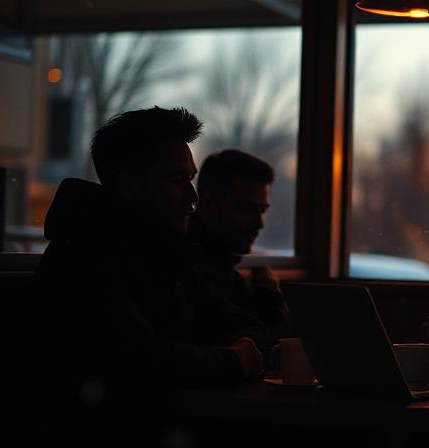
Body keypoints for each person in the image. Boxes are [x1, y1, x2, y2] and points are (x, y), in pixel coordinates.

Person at [36, 107, 268, 446]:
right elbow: (143, 361)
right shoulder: (83, 259)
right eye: (178, 181)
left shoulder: (167, 254)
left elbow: (248, 326)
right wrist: (234, 359)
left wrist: (236, 352)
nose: (193, 198)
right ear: (129, 185)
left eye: (191, 180)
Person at [189, 149, 290, 343]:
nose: (259, 223)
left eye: (262, 210)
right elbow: (263, 340)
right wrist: (268, 293)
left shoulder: (222, 267)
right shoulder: (191, 270)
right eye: (248, 208)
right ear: (208, 204)